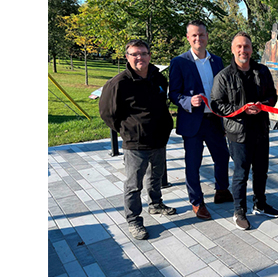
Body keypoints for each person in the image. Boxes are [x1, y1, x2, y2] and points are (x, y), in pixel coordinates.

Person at [99, 39, 176, 240]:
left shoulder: (158, 78)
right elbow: (107, 113)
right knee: (134, 184)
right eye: (134, 54)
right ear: (127, 57)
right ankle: (134, 220)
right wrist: (127, 131)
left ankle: (156, 204)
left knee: (156, 175)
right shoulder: (119, 83)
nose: (139, 57)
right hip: (135, 143)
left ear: (150, 55)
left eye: (143, 53)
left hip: (159, 139)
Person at [210, 32, 278, 230]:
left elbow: (272, 97)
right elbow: (216, 105)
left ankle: (260, 203)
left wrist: (262, 105)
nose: (243, 50)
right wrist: (241, 110)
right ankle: (239, 210)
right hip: (238, 133)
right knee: (241, 173)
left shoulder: (262, 71)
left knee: (261, 171)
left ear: (252, 49)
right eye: (239, 47)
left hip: (261, 130)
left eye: (247, 47)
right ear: (233, 50)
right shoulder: (224, 76)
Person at [168, 20, 233, 221]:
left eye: (202, 35)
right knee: (193, 163)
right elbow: (174, 94)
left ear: (207, 36)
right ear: (188, 37)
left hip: (214, 120)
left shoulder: (217, 61)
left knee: (222, 157)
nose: (198, 39)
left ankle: (221, 190)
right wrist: (188, 101)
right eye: (194, 35)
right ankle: (197, 201)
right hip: (192, 122)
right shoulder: (179, 62)